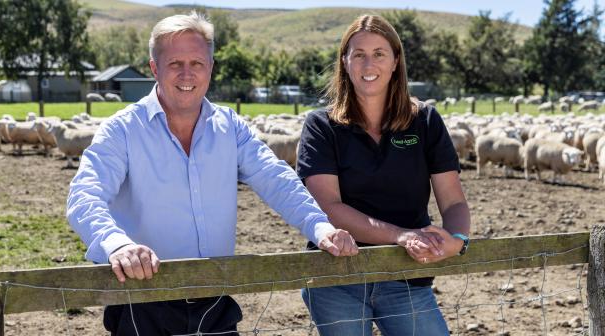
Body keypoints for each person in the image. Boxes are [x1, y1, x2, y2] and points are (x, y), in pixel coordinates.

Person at [66, 12, 358, 336]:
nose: (187, 74)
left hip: (216, 300)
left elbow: (275, 177)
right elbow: (85, 195)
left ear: (211, 68)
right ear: (154, 68)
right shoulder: (122, 130)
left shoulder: (230, 127)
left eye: (197, 63)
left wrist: (319, 226)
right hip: (143, 300)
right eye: (175, 63)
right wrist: (117, 244)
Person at [297, 15, 471, 336]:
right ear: (344, 62)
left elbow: (454, 201)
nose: (368, 63)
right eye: (358, 54)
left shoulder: (426, 121)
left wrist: (458, 241)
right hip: (337, 276)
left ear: (395, 62)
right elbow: (328, 207)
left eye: (379, 53)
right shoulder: (321, 126)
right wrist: (401, 236)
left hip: (406, 274)